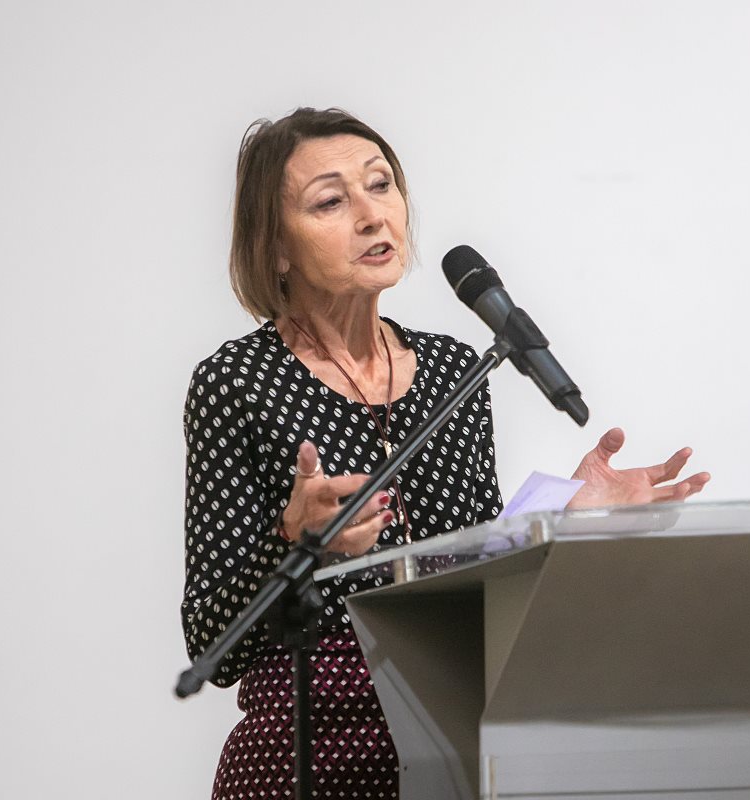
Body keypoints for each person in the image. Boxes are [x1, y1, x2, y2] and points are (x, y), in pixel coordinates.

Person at [181, 107, 710, 800]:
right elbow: (211, 641)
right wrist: (295, 542)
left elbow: (475, 571)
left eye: (381, 185)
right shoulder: (236, 384)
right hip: (310, 749)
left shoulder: (454, 369)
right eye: (331, 201)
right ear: (275, 246)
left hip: (452, 737)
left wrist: (565, 514)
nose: (372, 215)